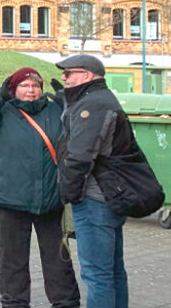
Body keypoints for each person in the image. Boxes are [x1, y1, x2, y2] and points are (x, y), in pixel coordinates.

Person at [0, 67, 80, 308]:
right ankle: (15, 303)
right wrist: (0, 97)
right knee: (11, 261)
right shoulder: (3, 111)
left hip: (51, 200)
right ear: (13, 89)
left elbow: (80, 130)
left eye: (35, 86)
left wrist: (69, 103)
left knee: (59, 260)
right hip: (10, 199)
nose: (31, 90)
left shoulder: (54, 109)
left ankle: (66, 303)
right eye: (24, 86)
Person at [56, 54, 137, 308]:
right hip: (109, 196)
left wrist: (69, 193)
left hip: (94, 199)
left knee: (97, 274)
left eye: (68, 73)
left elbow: (81, 155)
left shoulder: (93, 105)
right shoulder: (100, 99)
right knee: (112, 270)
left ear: (87, 75)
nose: (64, 78)